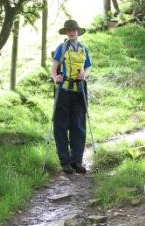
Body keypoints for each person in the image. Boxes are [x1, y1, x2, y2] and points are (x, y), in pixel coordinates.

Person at [51, 19, 91, 174]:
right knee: (61, 126)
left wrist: (84, 75)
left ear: (77, 31)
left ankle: (77, 161)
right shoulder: (62, 48)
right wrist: (56, 78)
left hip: (79, 91)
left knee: (79, 126)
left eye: (74, 29)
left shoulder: (84, 48)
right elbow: (54, 68)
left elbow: (87, 66)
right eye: (69, 30)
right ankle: (65, 162)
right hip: (64, 91)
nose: (72, 32)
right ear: (66, 32)